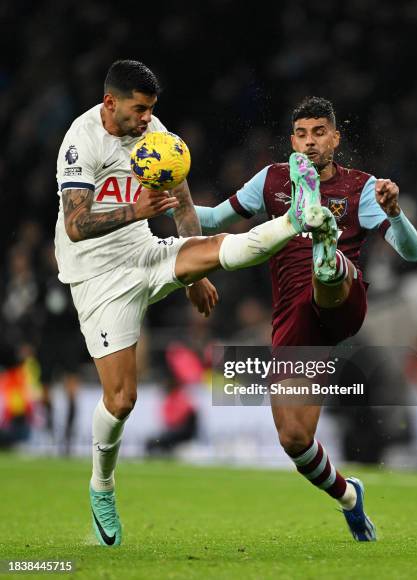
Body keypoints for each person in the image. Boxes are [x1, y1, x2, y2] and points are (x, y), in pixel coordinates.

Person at [55, 60, 323, 546]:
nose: (146, 119)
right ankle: (102, 485)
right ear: (111, 103)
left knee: (222, 251)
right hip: (96, 275)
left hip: (143, 250)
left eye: (152, 110)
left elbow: (180, 199)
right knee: (121, 401)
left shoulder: (155, 132)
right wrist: (135, 209)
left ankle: (296, 218)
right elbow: (75, 225)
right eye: (139, 110)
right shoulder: (80, 141)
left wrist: (194, 272)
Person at [185, 96, 417, 541]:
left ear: (336, 138)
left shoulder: (362, 188)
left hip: (343, 302)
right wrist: (162, 206)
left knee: (327, 274)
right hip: (296, 323)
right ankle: (350, 496)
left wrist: (395, 212)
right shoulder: (273, 179)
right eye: (301, 134)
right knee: (294, 439)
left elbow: (412, 251)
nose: (310, 141)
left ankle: (325, 247)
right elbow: (213, 217)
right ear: (292, 139)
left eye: (319, 133)